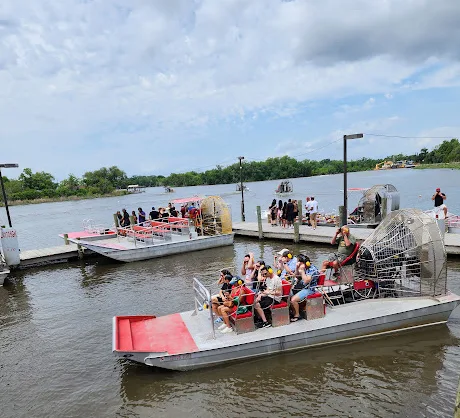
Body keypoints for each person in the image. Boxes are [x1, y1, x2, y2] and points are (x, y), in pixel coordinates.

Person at [290, 255, 320, 322]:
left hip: (309, 289)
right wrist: (297, 267)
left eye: (298, 262)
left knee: (293, 300)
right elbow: (296, 276)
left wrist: (302, 271)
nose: (297, 263)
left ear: (303, 263)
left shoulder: (312, 269)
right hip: (301, 287)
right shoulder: (303, 267)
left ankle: (297, 315)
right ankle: (294, 310)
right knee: (288, 295)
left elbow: (306, 281)